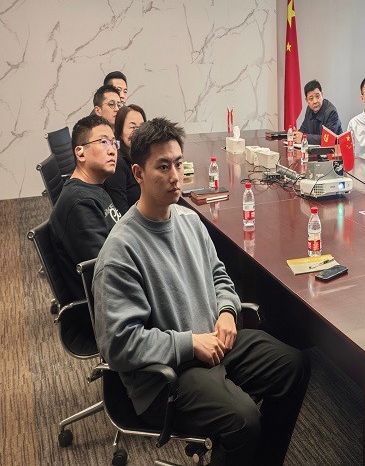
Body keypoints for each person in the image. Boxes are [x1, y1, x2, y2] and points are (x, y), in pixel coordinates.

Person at [93, 118, 310, 465]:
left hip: (213, 345)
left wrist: (227, 311)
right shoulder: (121, 251)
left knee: (294, 366)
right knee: (243, 421)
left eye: (178, 164)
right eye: (163, 167)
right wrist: (190, 343)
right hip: (167, 376)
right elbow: (119, 345)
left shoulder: (189, 220)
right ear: (138, 173)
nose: (175, 176)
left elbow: (220, 276)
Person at [50, 114, 122, 301]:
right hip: (108, 307)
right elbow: (107, 273)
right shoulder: (80, 203)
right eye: (104, 142)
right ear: (80, 153)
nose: (112, 150)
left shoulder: (95, 188)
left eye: (114, 143)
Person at [103, 104, 146, 214]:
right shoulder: (117, 163)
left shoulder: (140, 156)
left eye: (142, 127)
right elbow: (121, 212)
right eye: (133, 127)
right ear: (120, 132)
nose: (139, 132)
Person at [293, 79, 343, 145]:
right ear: (307, 101)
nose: (315, 101)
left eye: (317, 96)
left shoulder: (331, 112)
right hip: (314, 150)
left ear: (322, 95)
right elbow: (303, 128)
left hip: (333, 150)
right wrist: (296, 135)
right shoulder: (309, 109)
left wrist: (303, 137)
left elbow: (328, 139)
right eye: (311, 98)